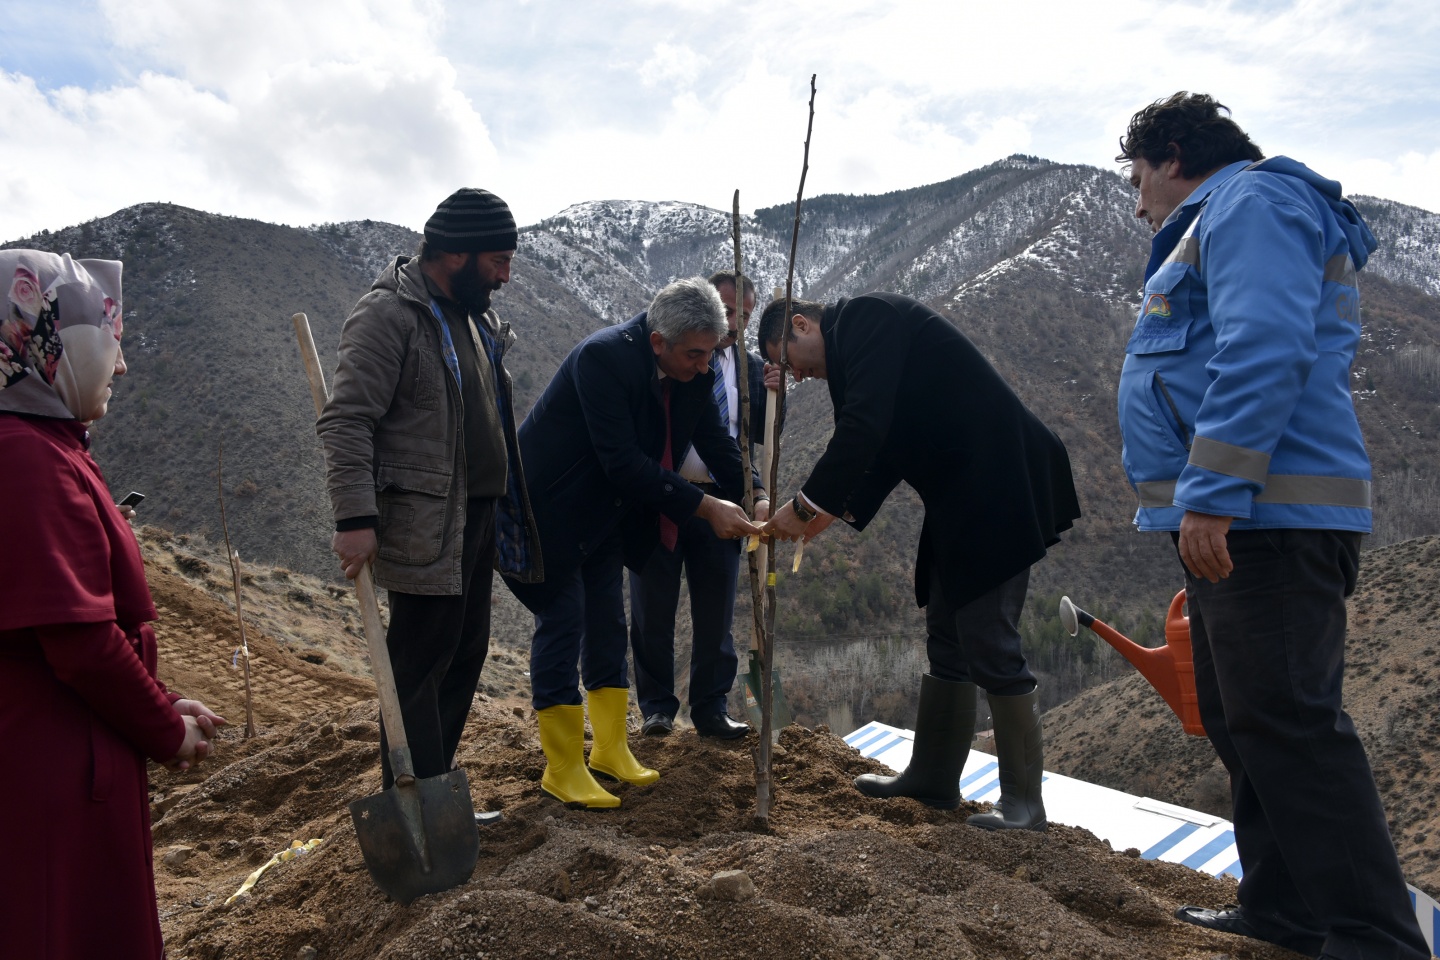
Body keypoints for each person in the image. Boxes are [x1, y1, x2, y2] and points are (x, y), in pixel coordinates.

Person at [1113, 93, 1430, 960]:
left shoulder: (1252, 203)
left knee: (1288, 718)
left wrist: (1213, 491)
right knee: (1239, 712)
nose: (1138, 202)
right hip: (1238, 510)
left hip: (1265, 512)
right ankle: (1283, 909)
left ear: (1174, 155)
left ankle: (1376, 940)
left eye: (1139, 178)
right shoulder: (1227, 216)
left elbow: (1264, 343)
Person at [758, 292, 1079, 830]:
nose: (799, 376)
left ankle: (1025, 804)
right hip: (959, 494)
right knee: (946, 631)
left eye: (791, 363)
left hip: (998, 484)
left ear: (800, 324)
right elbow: (881, 450)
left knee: (988, 639)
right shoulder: (854, 353)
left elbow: (865, 427)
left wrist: (805, 505)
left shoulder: (865, 319)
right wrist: (827, 515)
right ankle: (934, 779)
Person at [0, 249, 225, 959]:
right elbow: (79, 642)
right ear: (45, 347)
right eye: (106, 345)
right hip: (50, 772)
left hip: (62, 752)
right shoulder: (24, 456)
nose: (120, 368)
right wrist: (163, 727)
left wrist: (160, 698)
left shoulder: (44, 442)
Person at [316, 188, 541, 791]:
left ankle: (436, 788)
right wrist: (354, 518)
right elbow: (347, 419)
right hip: (424, 519)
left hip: (479, 515)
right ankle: (409, 797)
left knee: (465, 654)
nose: (505, 276)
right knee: (419, 661)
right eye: (497, 261)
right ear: (457, 255)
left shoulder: (473, 317)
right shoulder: (388, 315)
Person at [507, 277, 762, 808]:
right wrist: (706, 507)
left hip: (604, 512)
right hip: (547, 508)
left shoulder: (694, 365)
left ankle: (610, 749)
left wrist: (754, 494)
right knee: (563, 620)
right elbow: (622, 461)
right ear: (657, 343)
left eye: (711, 353)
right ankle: (563, 767)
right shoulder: (602, 359)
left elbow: (715, 438)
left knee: (607, 621)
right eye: (694, 354)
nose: (703, 366)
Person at [628, 270, 782, 740]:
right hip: (662, 492)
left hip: (721, 498)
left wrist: (754, 491)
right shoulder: (674, 359)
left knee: (716, 611)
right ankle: (656, 708)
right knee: (653, 609)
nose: (735, 322)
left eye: (745, 316)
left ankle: (711, 708)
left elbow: (751, 437)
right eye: (729, 311)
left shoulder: (752, 369)